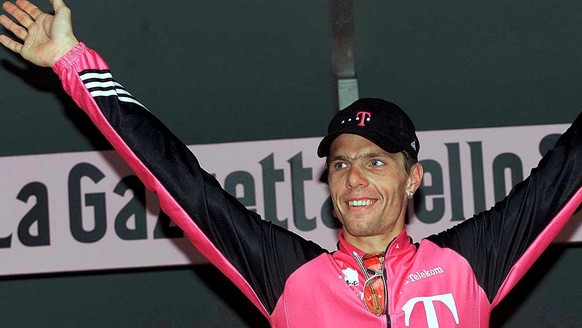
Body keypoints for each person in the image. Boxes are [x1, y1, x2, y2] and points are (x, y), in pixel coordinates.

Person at [1, 0, 581, 327]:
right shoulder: (290, 277)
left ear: (413, 178)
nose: (354, 177)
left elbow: (566, 172)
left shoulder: (467, 266)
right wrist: (72, 64)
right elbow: (177, 178)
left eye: (376, 162)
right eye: (340, 165)